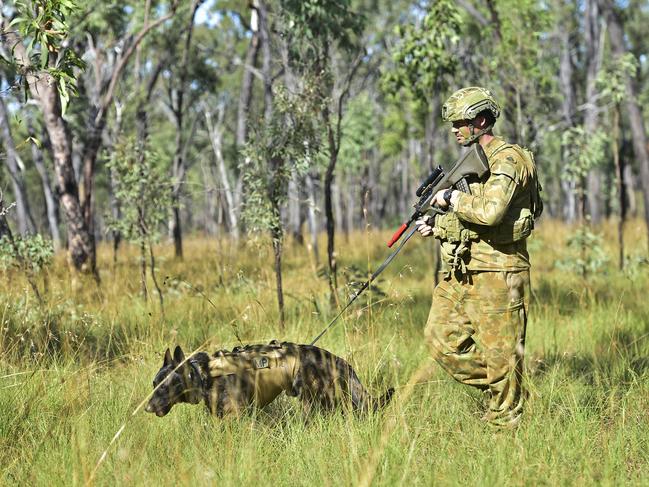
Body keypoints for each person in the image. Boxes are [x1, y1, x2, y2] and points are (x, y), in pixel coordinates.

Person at [417, 86, 542, 428]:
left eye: (461, 122)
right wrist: (439, 223)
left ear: (481, 121)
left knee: (502, 357)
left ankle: (506, 428)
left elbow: (489, 213)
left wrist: (450, 200)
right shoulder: (471, 163)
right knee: (439, 339)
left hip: (500, 271)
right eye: (453, 123)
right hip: (465, 268)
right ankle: (507, 390)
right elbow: (469, 219)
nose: (455, 129)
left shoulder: (509, 159)